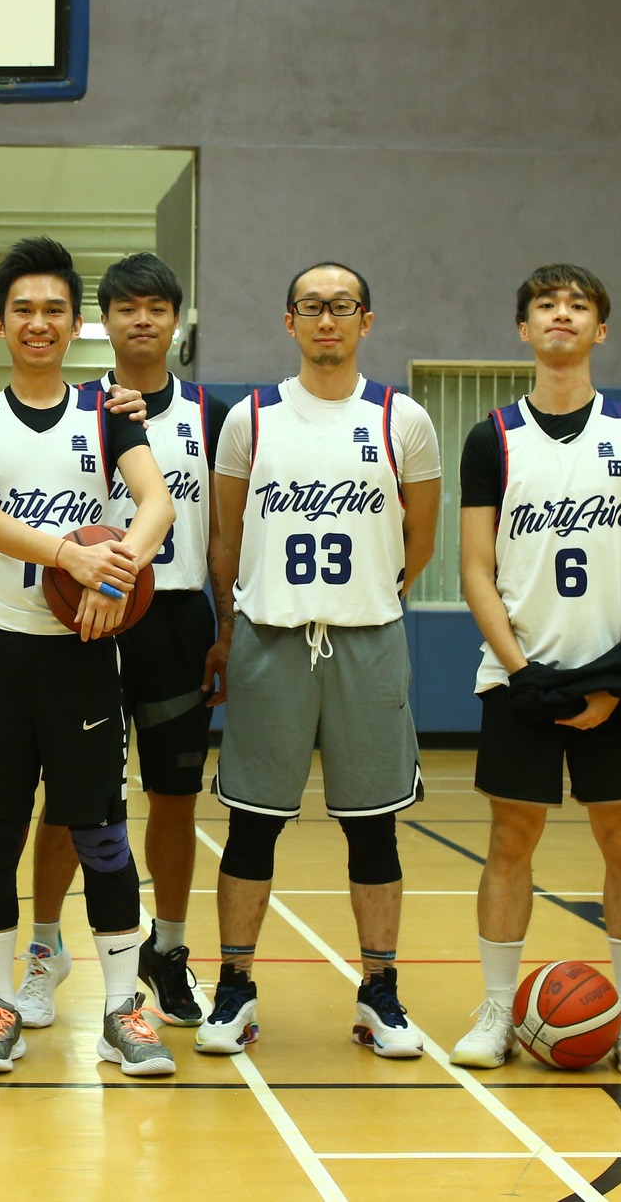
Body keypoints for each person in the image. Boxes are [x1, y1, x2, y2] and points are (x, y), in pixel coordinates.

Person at [0, 236, 178, 1077]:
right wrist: (71, 557)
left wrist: (120, 569)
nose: (38, 323)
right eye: (23, 310)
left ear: (75, 324)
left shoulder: (109, 413)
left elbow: (157, 502)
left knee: (102, 833)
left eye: (53, 310)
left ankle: (120, 1009)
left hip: (81, 652)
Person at [199, 262, 439, 1060]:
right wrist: (231, 624)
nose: (326, 318)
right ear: (289, 320)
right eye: (311, 306)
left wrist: (374, 594)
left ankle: (379, 991)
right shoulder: (251, 419)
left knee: (373, 828)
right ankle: (235, 988)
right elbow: (227, 538)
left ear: (366, 319)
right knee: (251, 824)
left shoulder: (403, 419)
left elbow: (421, 538)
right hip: (270, 636)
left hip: (367, 638)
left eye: (342, 306)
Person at [450, 263, 621, 1077]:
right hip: (519, 677)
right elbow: (476, 569)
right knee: (509, 840)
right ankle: (496, 1010)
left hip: (616, 678)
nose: (561, 314)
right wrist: (524, 673)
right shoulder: (492, 438)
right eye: (546, 304)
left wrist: (618, 675)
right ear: (524, 328)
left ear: (600, 329)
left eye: (578, 305)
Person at [20, 252, 231, 1030]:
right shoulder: (76, 408)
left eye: (157, 307)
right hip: (85, 620)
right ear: (100, 323)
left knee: (174, 798)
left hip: (176, 622)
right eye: (126, 308)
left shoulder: (212, 415)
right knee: (68, 797)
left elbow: (223, 535)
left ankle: (166, 950)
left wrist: (227, 628)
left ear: (177, 322)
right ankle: (45, 946)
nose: (142, 319)